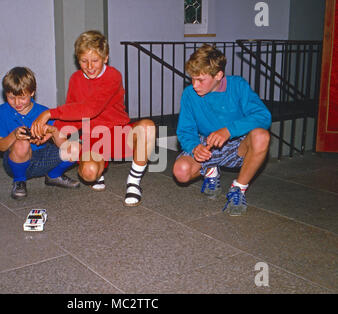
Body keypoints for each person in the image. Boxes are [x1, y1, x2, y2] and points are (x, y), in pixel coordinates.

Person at [31, 30, 156, 207]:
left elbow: (90, 109)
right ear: (78, 59)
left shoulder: (113, 75)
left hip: (119, 133)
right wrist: (53, 130)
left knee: (148, 126)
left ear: (105, 58)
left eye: (95, 60)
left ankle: (133, 183)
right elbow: (73, 112)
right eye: (84, 61)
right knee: (89, 173)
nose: (89, 66)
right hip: (94, 139)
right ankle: (98, 169)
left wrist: (48, 113)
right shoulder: (75, 79)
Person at [173, 44, 271, 216]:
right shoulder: (189, 94)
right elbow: (185, 130)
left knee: (261, 136)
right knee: (181, 172)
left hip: (237, 144)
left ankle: (238, 189)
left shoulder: (238, 86)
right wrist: (195, 147)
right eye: (192, 79)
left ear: (218, 75)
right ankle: (211, 170)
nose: (195, 85)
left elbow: (263, 116)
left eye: (201, 80)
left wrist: (229, 130)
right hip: (206, 143)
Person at [0, 67, 80, 200]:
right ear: (5, 94)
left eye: (22, 98)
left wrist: (53, 131)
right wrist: (14, 135)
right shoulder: (1, 112)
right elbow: (1, 146)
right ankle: (19, 180)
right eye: (11, 97)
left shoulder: (43, 112)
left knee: (76, 147)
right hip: (15, 161)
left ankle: (54, 176)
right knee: (22, 144)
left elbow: (63, 144)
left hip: (43, 158)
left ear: (32, 92)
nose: (17, 103)